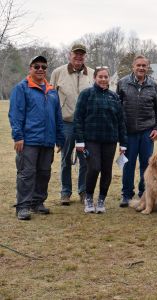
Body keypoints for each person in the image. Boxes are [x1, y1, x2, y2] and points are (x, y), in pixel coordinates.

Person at [9, 55, 65, 220]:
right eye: (36, 66)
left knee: (44, 173)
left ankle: (37, 202)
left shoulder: (52, 90)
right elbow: (15, 114)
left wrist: (60, 139)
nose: (40, 69)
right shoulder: (22, 88)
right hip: (29, 140)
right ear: (30, 68)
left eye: (43, 67)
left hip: (47, 141)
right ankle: (23, 206)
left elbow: (58, 116)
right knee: (27, 174)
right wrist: (18, 136)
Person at [74, 67, 127, 213]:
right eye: (100, 77)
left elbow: (121, 122)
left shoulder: (114, 97)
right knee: (94, 168)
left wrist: (123, 143)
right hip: (91, 139)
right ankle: (89, 198)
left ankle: (101, 200)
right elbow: (78, 118)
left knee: (106, 171)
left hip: (110, 140)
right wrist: (79, 140)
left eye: (106, 77)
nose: (103, 79)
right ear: (95, 78)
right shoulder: (86, 94)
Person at [116, 55, 157, 207]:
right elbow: (116, 108)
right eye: (138, 65)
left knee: (147, 165)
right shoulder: (123, 83)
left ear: (147, 67)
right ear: (133, 67)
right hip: (128, 132)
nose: (141, 68)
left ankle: (145, 193)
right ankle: (127, 194)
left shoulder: (153, 86)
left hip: (147, 132)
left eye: (144, 65)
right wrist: (120, 130)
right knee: (128, 165)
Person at [50, 44, 94, 205]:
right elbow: (51, 98)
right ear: (70, 55)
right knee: (65, 159)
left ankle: (83, 191)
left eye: (82, 55)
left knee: (85, 159)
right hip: (66, 123)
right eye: (76, 54)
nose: (78, 57)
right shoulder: (58, 73)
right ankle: (65, 192)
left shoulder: (92, 74)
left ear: (85, 57)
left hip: (86, 124)